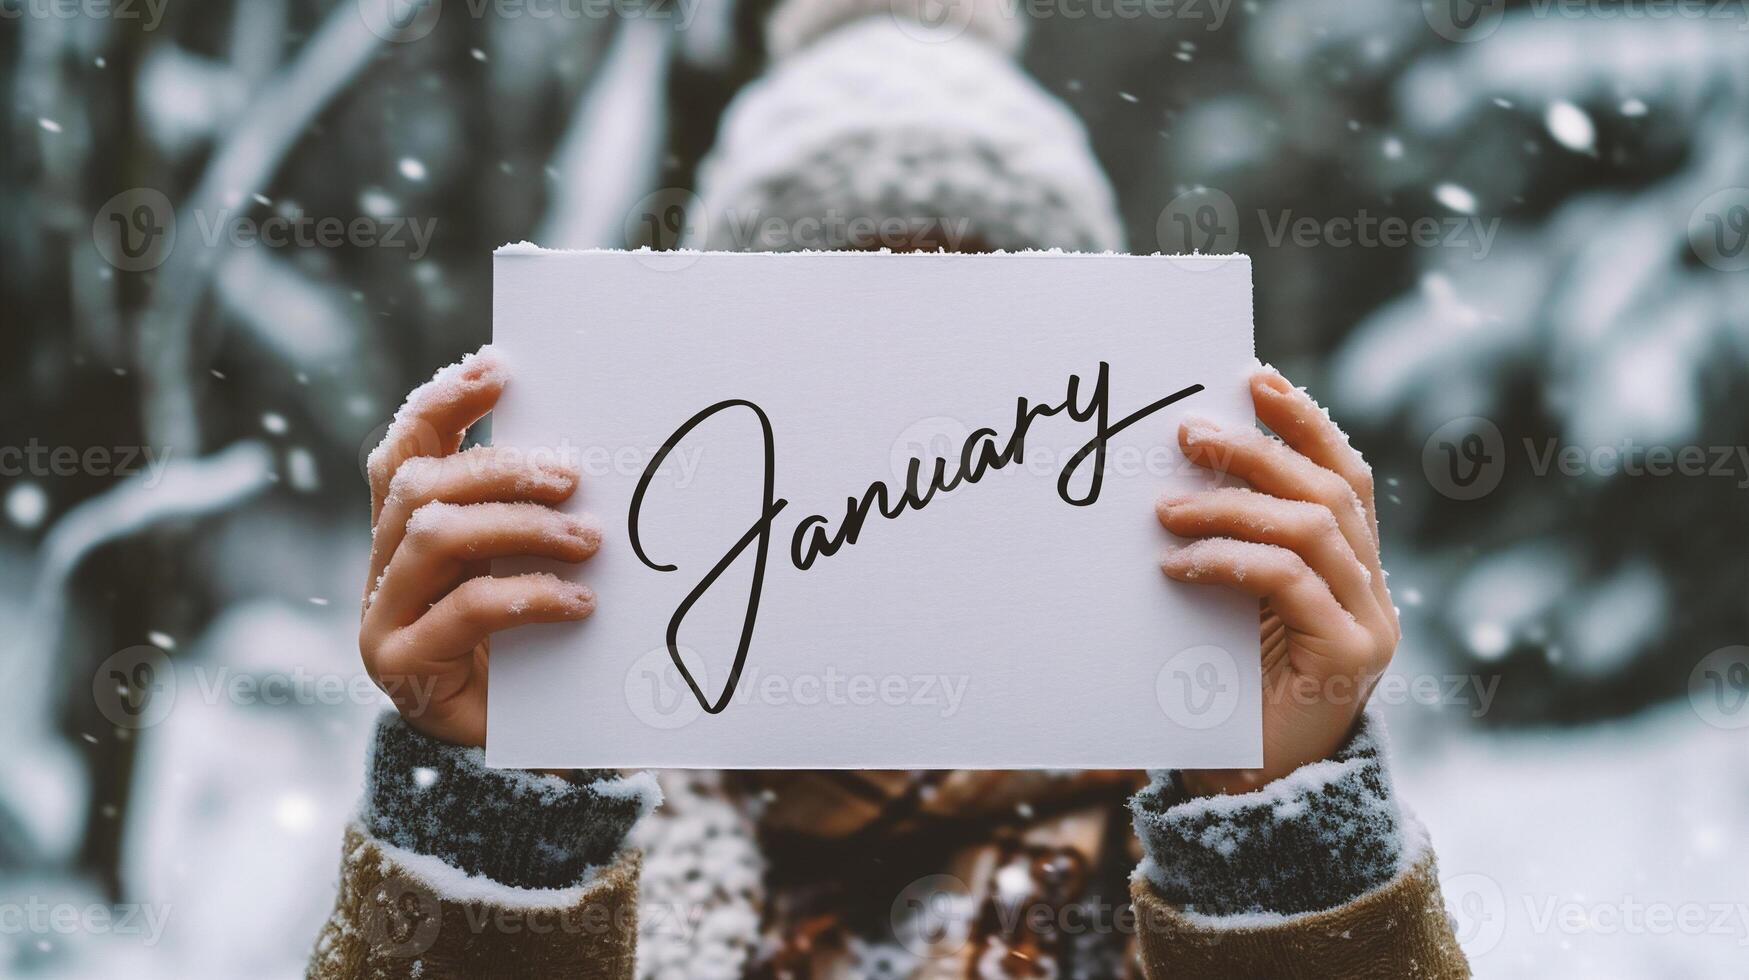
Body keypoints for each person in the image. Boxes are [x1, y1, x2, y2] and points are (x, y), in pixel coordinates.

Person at [309, 1, 1471, 977]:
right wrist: (490, 818)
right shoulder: (577, 800)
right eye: (842, 342)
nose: (908, 438)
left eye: (976, 342)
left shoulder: (1201, 808)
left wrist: (1283, 832)